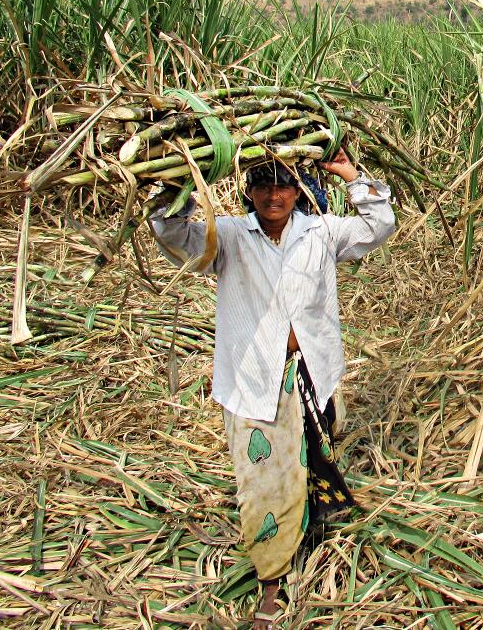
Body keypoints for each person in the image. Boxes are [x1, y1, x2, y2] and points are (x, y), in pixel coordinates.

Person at [149, 149, 395, 628]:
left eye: (283, 184)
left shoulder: (320, 233)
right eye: (262, 185)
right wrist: (178, 180)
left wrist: (348, 174)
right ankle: (272, 582)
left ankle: (308, 531)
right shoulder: (231, 237)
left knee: (310, 458)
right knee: (262, 481)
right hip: (252, 378)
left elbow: (379, 222)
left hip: (311, 371)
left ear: (298, 190)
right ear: (248, 191)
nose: (273, 194)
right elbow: (171, 233)